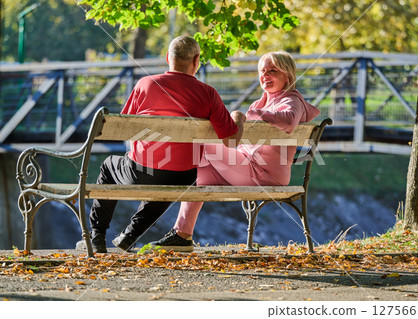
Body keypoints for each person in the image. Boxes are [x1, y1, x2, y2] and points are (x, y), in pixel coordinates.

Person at [76, 36, 246, 253]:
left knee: (110, 165)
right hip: (185, 176)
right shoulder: (208, 93)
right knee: (169, 178)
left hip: (141, 172)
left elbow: (126, 127)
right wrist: (239, 118)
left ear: (168, 58)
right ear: (196, 61)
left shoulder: (145, 84)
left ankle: (96, 237)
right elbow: (231, 141)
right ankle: (130, 236)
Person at [150, 51, 321, 252]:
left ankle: (159, 170)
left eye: (273, 71)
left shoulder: (291, 100)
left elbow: (290, 120)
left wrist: (247, 115)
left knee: (202, 142)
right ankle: (182, 235)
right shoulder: (260, 103)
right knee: (198, 172)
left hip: (264, 175)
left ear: (288, 76)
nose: (265, 75)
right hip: (248, 168)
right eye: (262, 71)